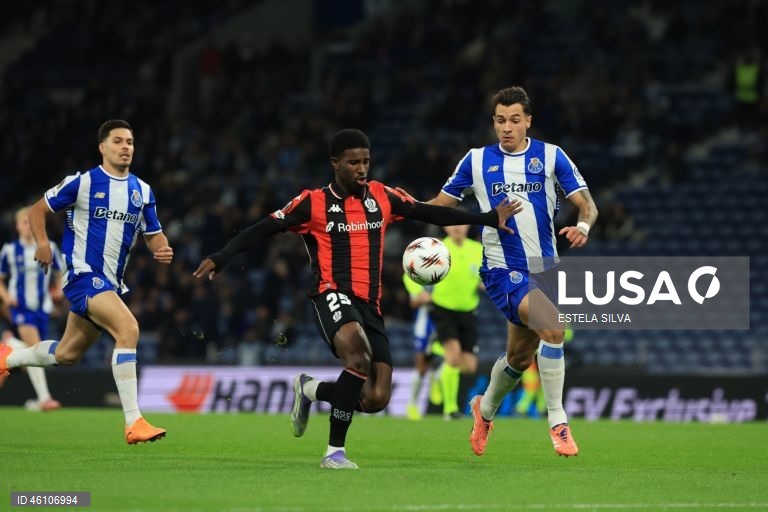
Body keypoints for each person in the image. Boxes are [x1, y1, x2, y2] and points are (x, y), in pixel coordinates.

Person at [193, 129, 522, 469]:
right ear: (335, 163)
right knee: (358, 356)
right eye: (353, 163)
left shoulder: (381, 196)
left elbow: (431, 213)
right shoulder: (312, 202)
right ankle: (334, 452)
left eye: (366, 161)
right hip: (331, 294)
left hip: (370, 303)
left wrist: (486, 219)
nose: (362, 169)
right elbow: (263, 227)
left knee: (376, 397)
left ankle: (310, 390)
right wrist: (223, 255)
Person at [426, 86, 598, 457]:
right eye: (501, 120)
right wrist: (394, 208)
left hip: (545, 270)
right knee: (554, 326)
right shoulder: (475, 161)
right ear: (493, 122)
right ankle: (558, 421)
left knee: (519, 358)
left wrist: (582, 227)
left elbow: (587, 205)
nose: (507, 127)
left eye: (515, 120)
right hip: (503, 269)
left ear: (528, 122)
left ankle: (483, 411)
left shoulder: (551, 157)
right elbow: (441, 204)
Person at [0, 119, 173, 444]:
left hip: (110, 282)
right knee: (128, 329)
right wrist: (40, 243)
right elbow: (37, 211)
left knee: (67, 355)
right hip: (82, 275)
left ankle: (8, 357)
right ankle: (133, 422)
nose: (126, 147)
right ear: (103, 147)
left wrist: (161, 248)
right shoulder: (82, 183)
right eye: (119, 141)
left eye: (130, 142)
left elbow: (154, 235)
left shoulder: (142, 190)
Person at [404, 224, 484, 420]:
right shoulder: (437, 249)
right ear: (446, 228)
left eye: (461, 224)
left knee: (469, 366)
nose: (457, 228)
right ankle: (450, 410)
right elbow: (411, 269)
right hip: (442, 309)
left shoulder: (478, 250)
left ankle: (438, 375)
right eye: (453, 224)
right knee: (452, 356)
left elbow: (486, 275)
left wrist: (486, 282)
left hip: (468, 311)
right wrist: (417, 293)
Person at [0, 207, 65, 410]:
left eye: (31, 222)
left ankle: (10, 345)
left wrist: (59, 291)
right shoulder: (10, 251)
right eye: (24, 222)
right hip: (21, 308)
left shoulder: (49, 247)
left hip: (41, 308)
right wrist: (6, 296)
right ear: (18, 226)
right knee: (37, 348)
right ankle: (45, 398)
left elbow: (60, 272)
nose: (28, 226)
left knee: (36, 356)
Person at [402, 276, 438, 421]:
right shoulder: (420, 274)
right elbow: (413, 302)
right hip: (425, 324)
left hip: (445, 322)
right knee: (422, 365)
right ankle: (412, 404)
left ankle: (436, 379)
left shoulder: (446, 272)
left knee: (451, 356)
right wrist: (430, 298)